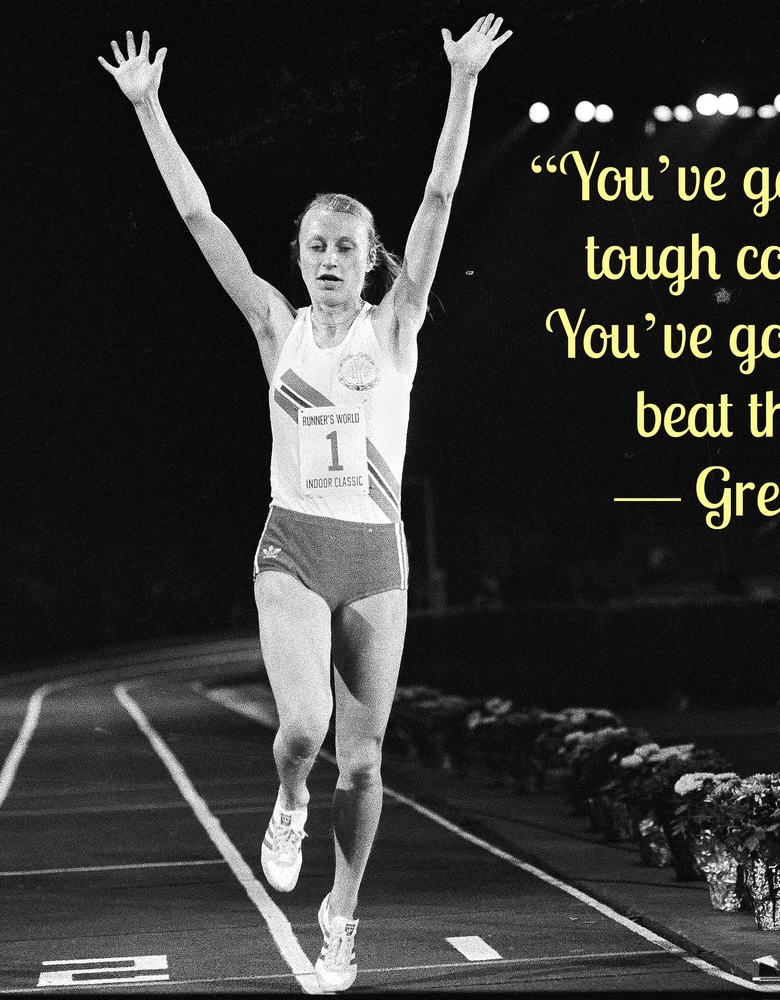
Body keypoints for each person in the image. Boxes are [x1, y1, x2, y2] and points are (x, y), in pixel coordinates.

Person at [100, 17, 510, 992]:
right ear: (300, 255)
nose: (329, 258)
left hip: (375, 557)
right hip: (293, 545)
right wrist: (149, 107)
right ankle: (287, 800)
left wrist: (461, 82)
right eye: (316, 244)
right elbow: (200, 218)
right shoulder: (273, 326)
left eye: (346, 247)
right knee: (303, 731)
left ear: (370, 262)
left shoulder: (395, 328)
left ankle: (340, 915)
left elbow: (440, 196)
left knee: (363, 766)